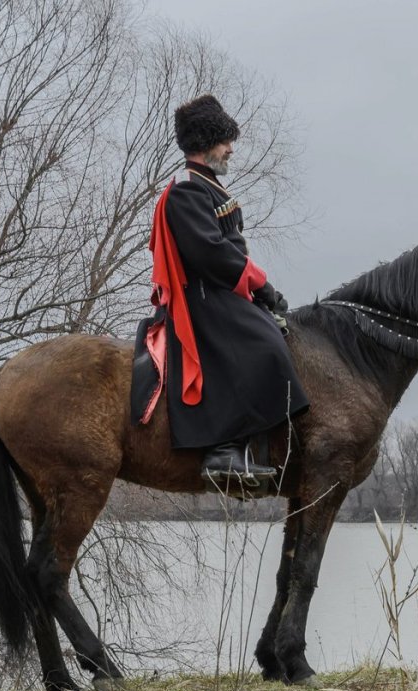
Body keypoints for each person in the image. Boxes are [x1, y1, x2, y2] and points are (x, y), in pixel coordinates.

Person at [134, 94, 309, 484]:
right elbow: (212, 255)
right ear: (205, 142)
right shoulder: (186, 190)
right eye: (225, 140)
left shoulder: (206, 185)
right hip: (201, 298)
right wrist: (262, 286)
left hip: (220, 291)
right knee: (264, 344)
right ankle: (224, 451)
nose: (231, 148)